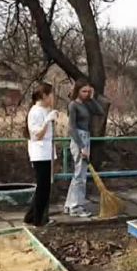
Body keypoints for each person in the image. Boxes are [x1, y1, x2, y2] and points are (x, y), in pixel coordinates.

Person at [63, 79, 105, 218]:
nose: (86, 94)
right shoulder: (73, 105)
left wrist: (92, 98)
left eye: (88, 91)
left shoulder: (87, 104)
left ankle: (70, 204)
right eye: (84, 91)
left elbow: (100, 112)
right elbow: (72, 128)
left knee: (80, 173)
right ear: (77, 91)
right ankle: (76, 206)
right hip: (78, 138)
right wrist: (81, 147)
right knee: (79, 175)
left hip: (86, 136)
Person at [24, 83, 59, 227]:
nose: (53, 98)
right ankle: (39, 220)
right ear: (44, 95)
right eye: (51, 95)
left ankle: (30, 216)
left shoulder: (45, 110)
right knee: (43, 188)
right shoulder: (35, 111)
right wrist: (47, 121)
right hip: (40, 153)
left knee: (44, 187)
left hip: (47, 152)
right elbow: (36, 135)